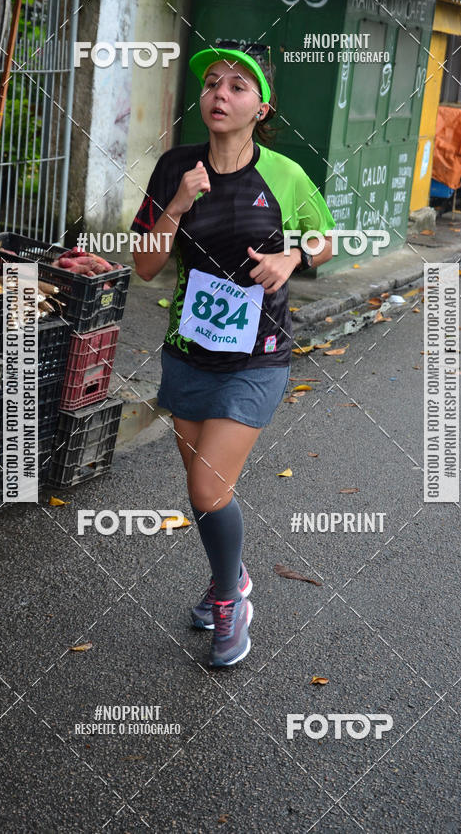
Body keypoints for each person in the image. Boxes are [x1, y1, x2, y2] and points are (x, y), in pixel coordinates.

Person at [130, 42, 335, 667]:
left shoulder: (285, 174)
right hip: (188, 351)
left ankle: (231, 598)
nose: (220, 94)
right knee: (202, 494)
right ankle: (230, 577)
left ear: (260, 108)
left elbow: (325, 238)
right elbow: (144, 266)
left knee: (207, 485)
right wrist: (177, 205)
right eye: (212, 83)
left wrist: (292, 256)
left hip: (259, 355)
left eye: (237, 87)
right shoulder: (173, 167)